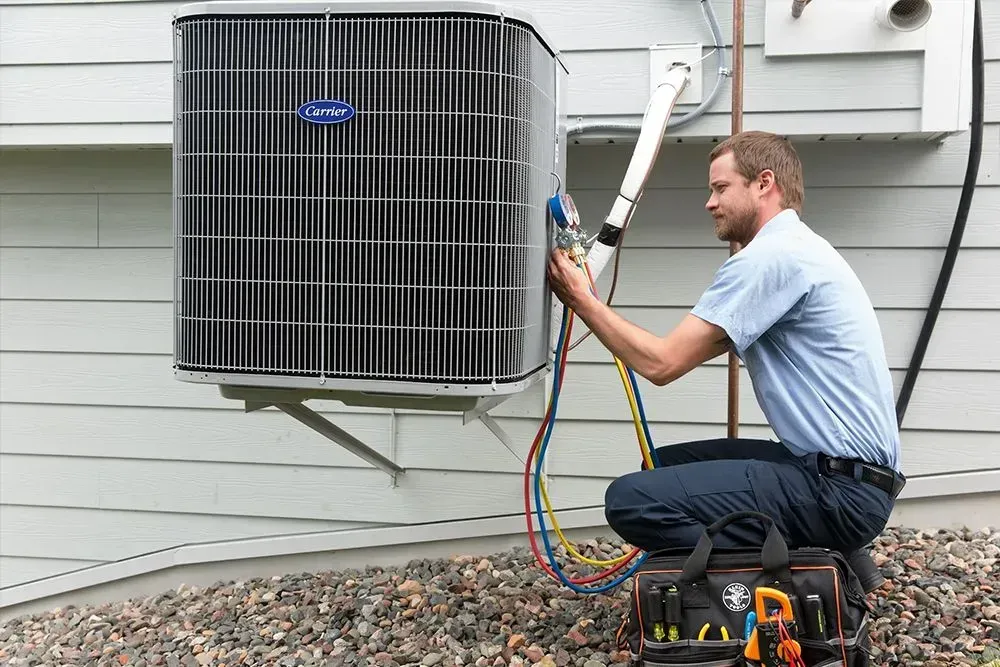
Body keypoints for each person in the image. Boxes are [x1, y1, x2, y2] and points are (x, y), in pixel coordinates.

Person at [545, 130, 905, 593]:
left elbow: (661, 364)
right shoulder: (800, 249)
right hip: (844, 477)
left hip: (838, 493)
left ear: (763, 184)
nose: (709, 203)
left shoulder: (770, 259)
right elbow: (686, 345)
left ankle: (766, 588)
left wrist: (580, 297)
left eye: (720, 188)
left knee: (630, 502)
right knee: (659, 468)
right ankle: (835, 555)